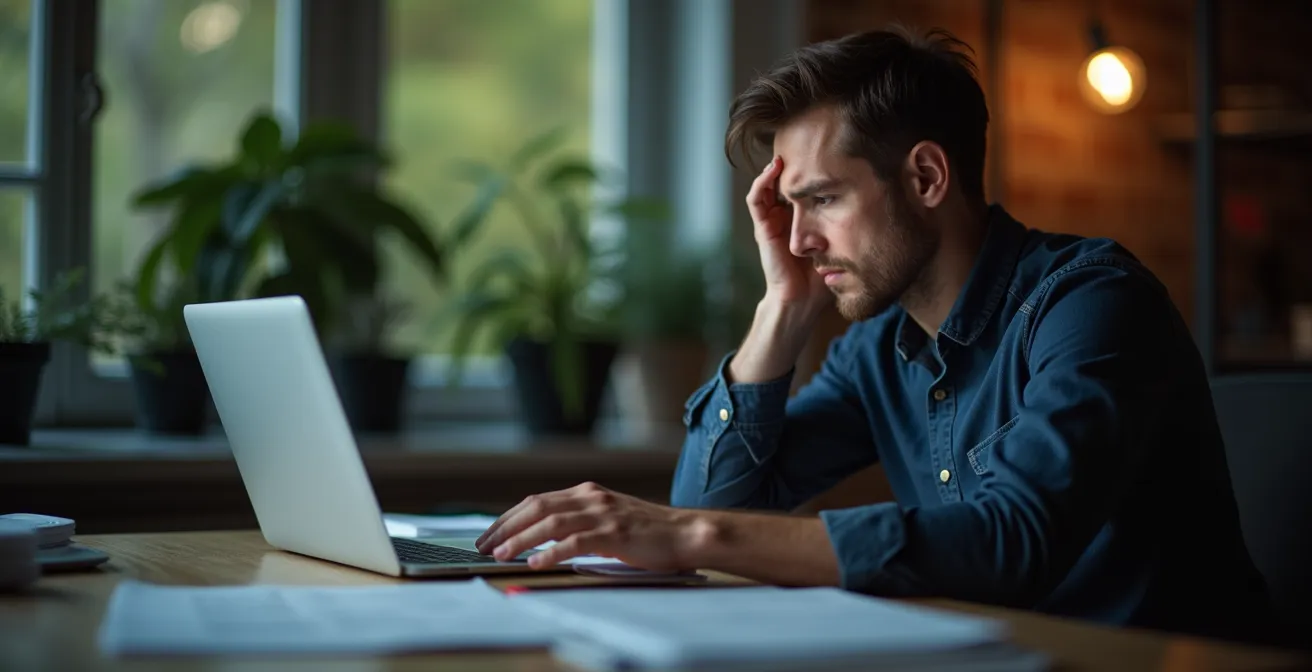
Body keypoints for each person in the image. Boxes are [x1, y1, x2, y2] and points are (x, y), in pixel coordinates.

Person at [475, 26, 1271, 641]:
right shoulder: (878, 349)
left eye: (821, 200)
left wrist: (691, 533)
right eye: (787, 209)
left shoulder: (1093, 303)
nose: (797, 238)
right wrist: (779, 310)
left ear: (926, 178)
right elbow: (711, 505)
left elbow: (1012, 543)